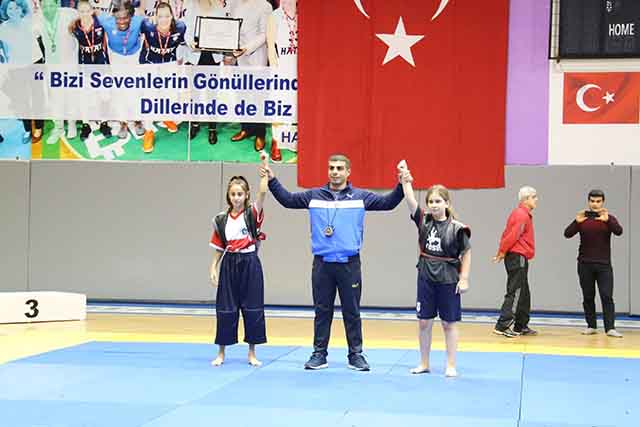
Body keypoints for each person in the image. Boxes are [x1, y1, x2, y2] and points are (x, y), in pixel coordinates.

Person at [261, 154, 405, 371]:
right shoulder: (314, 196)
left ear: (348, 172)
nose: (335, 172)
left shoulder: (360, 197)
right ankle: (319, 354)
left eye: (339, 168)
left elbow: (388, 203)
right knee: (322, 311)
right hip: (322, 264)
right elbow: (288, 200)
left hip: (349, 264)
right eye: (331, 168)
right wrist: (272, 180)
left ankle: (355, 355)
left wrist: (402, 185)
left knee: (352, 311)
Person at [398, 161, 471, 377]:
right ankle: (424, 363)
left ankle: (451, 364)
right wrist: (405, 179)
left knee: (449, 324)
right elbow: (410, 200)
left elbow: (466, 253)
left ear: (447, 203)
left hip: (448, 279)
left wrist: (464, 278)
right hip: (426, 278)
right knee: (424, 322)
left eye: (438, 201)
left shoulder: (458, 228)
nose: (434, 205)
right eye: (430, 201)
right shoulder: (424, 220)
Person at [209, 152, 269, 366]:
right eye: (233, 194)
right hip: (229, 264)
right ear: (229, 196)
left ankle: (252, 353)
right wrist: (213, 267)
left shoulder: (252, 214)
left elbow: (263, 193)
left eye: (240, 194)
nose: (236, 198)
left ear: (246, 195)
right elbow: (219, 247)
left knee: (252, 307)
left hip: (250, 263)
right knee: (225, 308)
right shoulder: (221, 219)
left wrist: (265, 166)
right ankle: (221, 353)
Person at [564, 189, 624, 338]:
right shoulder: (583, 219)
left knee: (607, 296)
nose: (595, 204)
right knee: (588, 296)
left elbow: (619, 231)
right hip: (585, 264)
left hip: (604, 265)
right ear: (588, 202)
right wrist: (576, 222)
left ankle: (610, 328)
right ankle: (591, 326)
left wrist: (608, 220)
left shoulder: (608, 218)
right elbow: (567, 234)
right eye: (592, 201)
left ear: (603, 202)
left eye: (598, 201)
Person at [138, 0, 185, 152]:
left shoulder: (180, 28)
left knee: (169, 96)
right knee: (150, 97)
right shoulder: (147, 26)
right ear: (155, 17)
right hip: (150, 63)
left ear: (172, 16)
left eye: (167, 16)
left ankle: (166, 117)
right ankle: (148, 131)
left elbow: (186, 44)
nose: (164, 20)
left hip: (169, 64)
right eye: (160, 16)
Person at [493, 186, 538, 338]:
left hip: (519, 256)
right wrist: (502, 251)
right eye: (534, 197)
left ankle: (521, 325)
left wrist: (502, 251)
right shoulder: (521, 215)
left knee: (524, 292)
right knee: (516, 291)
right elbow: (512, 235)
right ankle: (503, 325)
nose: (536, 200)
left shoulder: (522, 214)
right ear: (526, 199)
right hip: (517, 256)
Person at [229, 0, 271, 152]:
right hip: (238, 58)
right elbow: (230, 28)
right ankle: (246, 128)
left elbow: (265, 34)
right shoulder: (234, 4)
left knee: (259, 98)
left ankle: (260, 133)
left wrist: (246, 48)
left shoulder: (265, 6)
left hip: (257, 58)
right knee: (242, 96)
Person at [68, 0, 111, 140]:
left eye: (87, 11)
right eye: (82, 11)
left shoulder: (101, 23)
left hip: (101, 64)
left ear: (92, 11)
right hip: (84, 66)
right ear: (78, 12)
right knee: (85, 97)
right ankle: (85, 125)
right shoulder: (74, 27)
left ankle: (104, 123)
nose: (85, 14)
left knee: (104, 96)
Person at [265, 0, 297, 162]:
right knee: (280, 106)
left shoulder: (306, 15)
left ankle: (292, 139)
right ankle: (276, 142)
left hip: (301, 67)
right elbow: (271, 48)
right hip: (282, 68)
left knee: (298, 106)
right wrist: (276, 72)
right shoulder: (274, 16)